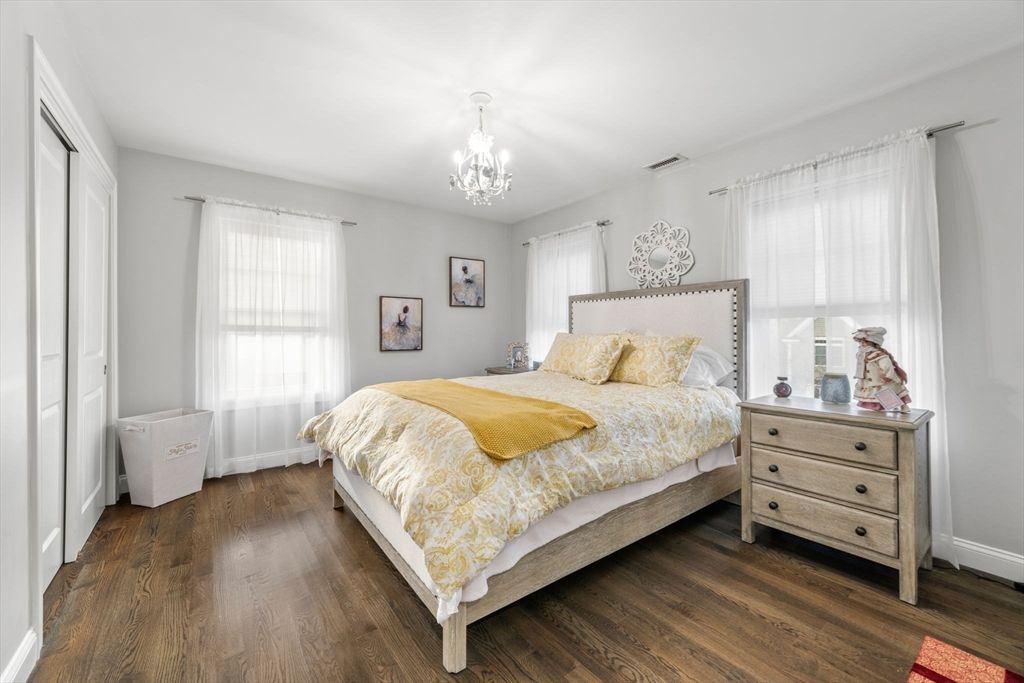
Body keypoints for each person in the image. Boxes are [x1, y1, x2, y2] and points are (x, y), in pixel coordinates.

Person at [853, 327, 911, 412]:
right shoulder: (861, 354)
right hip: (869, 380)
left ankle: (903, 406)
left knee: (887, 392)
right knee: (874, 394)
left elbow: (887, 366)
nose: (862, 343)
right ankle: (879, 408)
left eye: (865, 342)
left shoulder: (879, 355)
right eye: (860, 341)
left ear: (873, 342)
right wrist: (860, 378)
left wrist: (888, 376)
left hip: (881, 379)